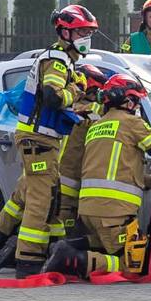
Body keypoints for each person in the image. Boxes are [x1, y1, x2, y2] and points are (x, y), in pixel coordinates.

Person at [0, 5, 98, 279]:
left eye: (88, 32)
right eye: (81, 31)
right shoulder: (55, 61)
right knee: (43, 200)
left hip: (43, 138)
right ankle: (28, 260)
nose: (85, 37)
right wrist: (76, 93)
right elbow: (53, 96)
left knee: (27, 193)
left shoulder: (65, 61)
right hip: (38, 138)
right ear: (65, 32)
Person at [44, 74, 151, 278]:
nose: (136, 106)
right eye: (135, 101)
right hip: (114, 212)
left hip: (89, 211)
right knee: (132, 266)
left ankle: (66, 247)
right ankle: (71, 259)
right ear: (127, 100)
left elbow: (117, 172)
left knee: (100, 243)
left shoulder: (97, 126)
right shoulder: (131, 123)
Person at [55, 63, 108, 239]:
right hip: (69, 184)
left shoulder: (65, 106)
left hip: (50, 177)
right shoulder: (90, 111)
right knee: (63, 231)